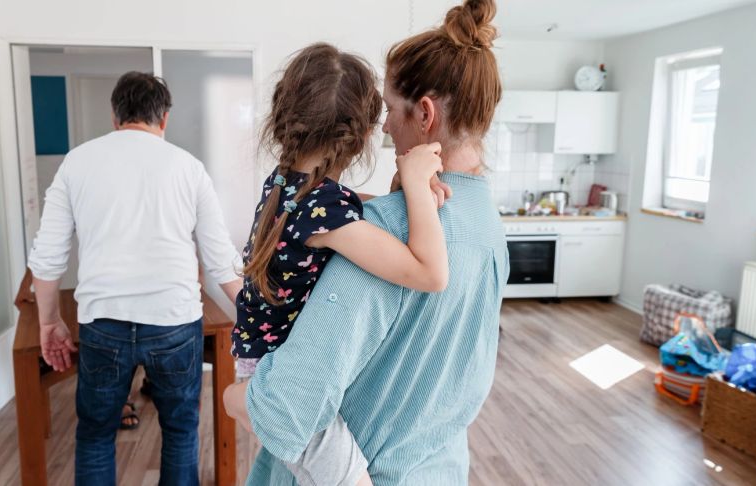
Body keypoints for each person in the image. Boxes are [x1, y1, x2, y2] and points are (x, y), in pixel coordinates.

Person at [223, 1, 508, 484]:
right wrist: (412, 191)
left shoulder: (356, 216)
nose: (386, 128)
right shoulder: (488, 224)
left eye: (391, 112)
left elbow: (287, 406)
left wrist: (233, 399)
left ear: (425, 114)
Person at [28, 71, 242, 486]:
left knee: (95, 434)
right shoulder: (188, 167)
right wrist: (257, 319)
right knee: (180, 431)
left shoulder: (78, 162)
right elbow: (221, 260)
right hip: (174, 321)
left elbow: (47, 258)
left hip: (103, 322)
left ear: (115, 116)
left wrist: (49, 321)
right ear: (164, 118)